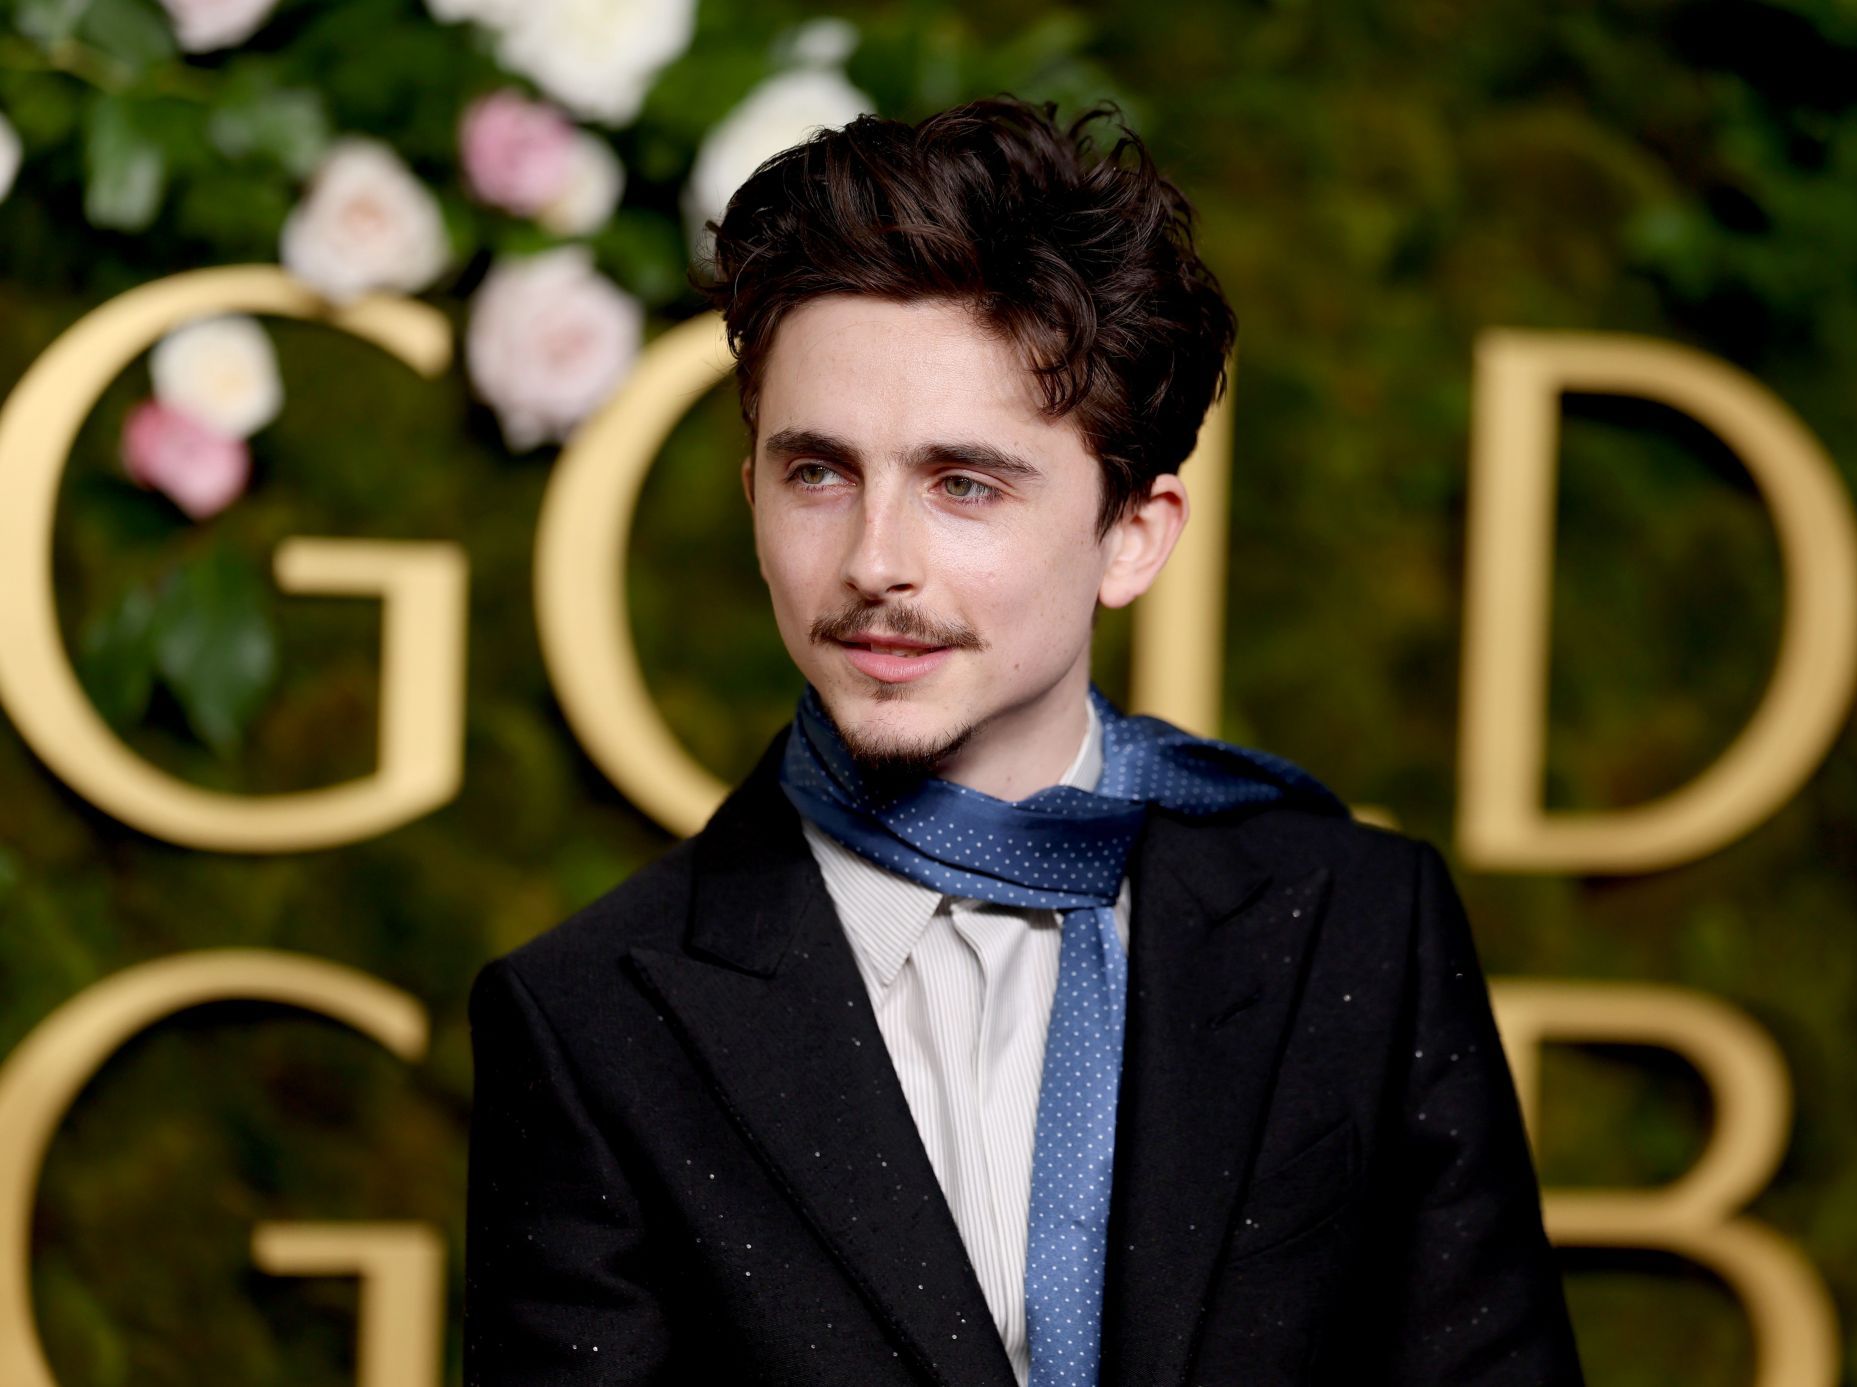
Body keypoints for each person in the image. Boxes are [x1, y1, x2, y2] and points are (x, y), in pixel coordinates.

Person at [463, 97, 1584, 1387]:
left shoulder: (1356, 931)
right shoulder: (591, 1020)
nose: (875, 563)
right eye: (817, 472)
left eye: (965, 485)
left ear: (1133, 534)